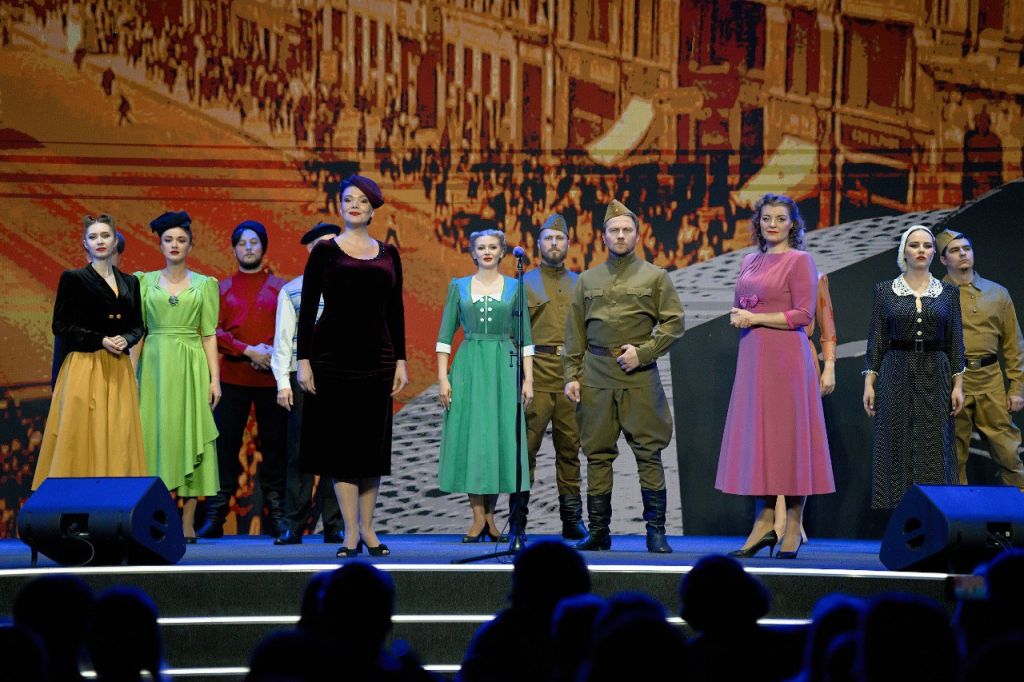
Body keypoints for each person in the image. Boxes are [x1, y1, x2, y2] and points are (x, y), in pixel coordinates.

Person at [716, 194, 834, 559]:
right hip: (754, 358)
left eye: (780, 219)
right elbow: (742, 304)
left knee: (789, 440)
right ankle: (763, 523)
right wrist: (741, 316)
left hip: (787, 360)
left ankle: (793, 525)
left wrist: (754, 318)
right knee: (761, 442)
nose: (772, 224)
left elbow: (803, 315)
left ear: (792, 224)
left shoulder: (800, 260)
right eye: (766, 218)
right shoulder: (749, 260)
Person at [564, 199, 685, 553]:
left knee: (649, 452)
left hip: (639, 376)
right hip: (596, 375)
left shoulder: (655, 277)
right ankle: (599, 532)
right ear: (603, 236)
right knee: (597, 454)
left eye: (626, 230)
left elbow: (675, 323)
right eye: (614, 230)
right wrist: (571, 375)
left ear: (637, 235)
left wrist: (643, 352)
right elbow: (575, 333)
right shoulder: (587, 280)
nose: (620, 235)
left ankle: (656, 532)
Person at [297, 174, 408, 558]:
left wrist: (401, 359)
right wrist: (303, 360)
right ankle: (349, 533)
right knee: (342, 449)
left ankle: (369, 529)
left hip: (378, 359)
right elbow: (307, 308)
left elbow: (395, 310)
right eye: (348, 199)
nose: (355, 205)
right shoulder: (325, 251)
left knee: (370, 450)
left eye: (362, 200)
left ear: (372, 208)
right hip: (332, 358)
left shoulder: (389, 253)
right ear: (340, 206)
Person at [33, 215, 147, 489]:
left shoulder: (130, 282)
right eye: (93, 237)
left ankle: (114, 497)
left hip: (118, 368)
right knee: (82, 434)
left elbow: (138, 326)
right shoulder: (74, 279)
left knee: (118, 434)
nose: (100, 241)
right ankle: (75, 500)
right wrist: (100, 340)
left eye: (105, 236)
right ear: (85, 243)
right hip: (84, 366)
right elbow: (60, 325)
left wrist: (125, 339)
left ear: (115, 241)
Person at [436, 229, 534, 543]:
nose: (487, 251)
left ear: (502, 251)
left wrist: (528, 379)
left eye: (493, 246)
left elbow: (525, 338)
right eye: (481, 247)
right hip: (469, 366)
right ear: (473, 252)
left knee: (497, 437)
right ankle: (478, 518)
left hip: (503, 366)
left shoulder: (516, 287)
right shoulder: (459, 286)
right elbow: (444, 337)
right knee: (473, 437)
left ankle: (490, 519)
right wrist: (443, 378)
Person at [197, 220, 288, 540]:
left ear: (263, 247)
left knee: (276, 449)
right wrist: (248, 351)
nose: (248, 248)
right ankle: (215, 517)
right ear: (234, 249)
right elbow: (212, 331)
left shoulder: (281, 288)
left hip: (272, 381)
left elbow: (290, 329)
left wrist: (271, 353)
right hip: (233, 378)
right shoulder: (221, 289)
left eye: (254, 242)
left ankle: (280, 518)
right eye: (242, 243)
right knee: (224, 449)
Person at [863, 225, 965, 509]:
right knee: (896, 443)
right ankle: (899, 517)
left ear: (934, 253)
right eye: (914, 245)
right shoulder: (885, 290)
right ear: (904, 252)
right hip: (895, 370)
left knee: (934, 445)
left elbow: (955, 340)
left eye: (927, 246)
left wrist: (958, 385)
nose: (921, 250)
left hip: (936, 371)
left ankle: (935, 514)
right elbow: (877, 339)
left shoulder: (948, 292)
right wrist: (869, 382)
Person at [135, 211, 221, 541]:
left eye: (181, 240)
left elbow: (208, 334)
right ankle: (159, 514)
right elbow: (139, 334)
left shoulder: (205, 284)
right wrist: (133, 374)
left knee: (190, 434)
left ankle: (187, 520)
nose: (174, 245)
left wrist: (214, 379)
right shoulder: (143, 282)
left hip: (191, 365)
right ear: (160, 244)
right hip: (154, 366)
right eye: (168, 240)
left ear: (190, 245)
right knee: (156, 436)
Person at [271, 222, 344, 545]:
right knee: (299, 454)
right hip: (301, 377)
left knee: (337, 453)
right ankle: (293, 523)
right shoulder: (293, 290)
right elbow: (283, 339)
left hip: (340, 376)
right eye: (321, 246)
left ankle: (335, 524)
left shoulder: (351, 285)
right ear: (310, 251)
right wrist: (282, 383)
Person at [517, 214, 586, 547]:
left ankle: (572, 520)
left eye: (559, 238)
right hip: (536, 376)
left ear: (568, 243)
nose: (554, 244)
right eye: (548, 238)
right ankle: (518, 521)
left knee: (570, 449)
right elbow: (516, 335)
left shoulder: (581, 283)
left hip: (570, 376)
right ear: (539, 243)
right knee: (526, 450)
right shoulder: (523, 283)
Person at [938, 229, 1024, 489]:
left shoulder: (997, 293)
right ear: (943, 259)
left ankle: (1020, 507)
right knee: (953, 458)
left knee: (1008, 452)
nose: (963, 254)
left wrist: (1017, 388)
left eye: (967, 248)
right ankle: (958, 512)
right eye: (955, 250)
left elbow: (1013, 344)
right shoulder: (934, 295)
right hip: (953, 383)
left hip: (991, 381)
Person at [774, 269, 837, 541]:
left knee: (800, 442)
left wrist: (829, 365)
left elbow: (827, 325)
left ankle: (794, 519)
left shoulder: (815, 276)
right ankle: (778, 518)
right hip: (769, 356)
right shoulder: (763, 276)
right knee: (773, 443)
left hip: (801, 356)